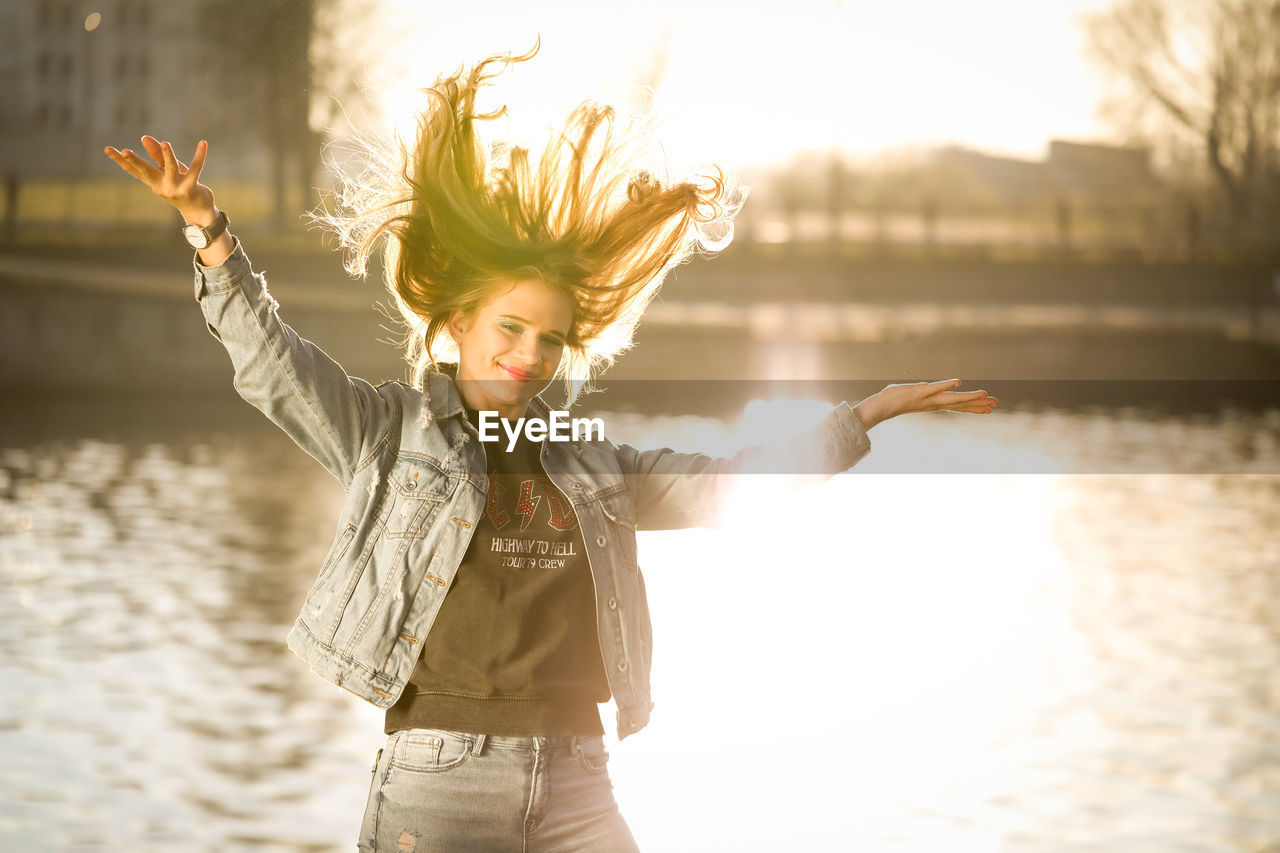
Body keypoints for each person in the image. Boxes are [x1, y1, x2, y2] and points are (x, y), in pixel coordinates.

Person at [104, 45, 998, 853]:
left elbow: (732, 483)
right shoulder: (389, 431)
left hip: (578, 781)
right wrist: (209, 232)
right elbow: (271, 363)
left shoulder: (588, 458)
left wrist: (863, 415)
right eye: (510, 328)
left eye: (550, 339)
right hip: (438, 781)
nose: (528, 354)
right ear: (456, 325)